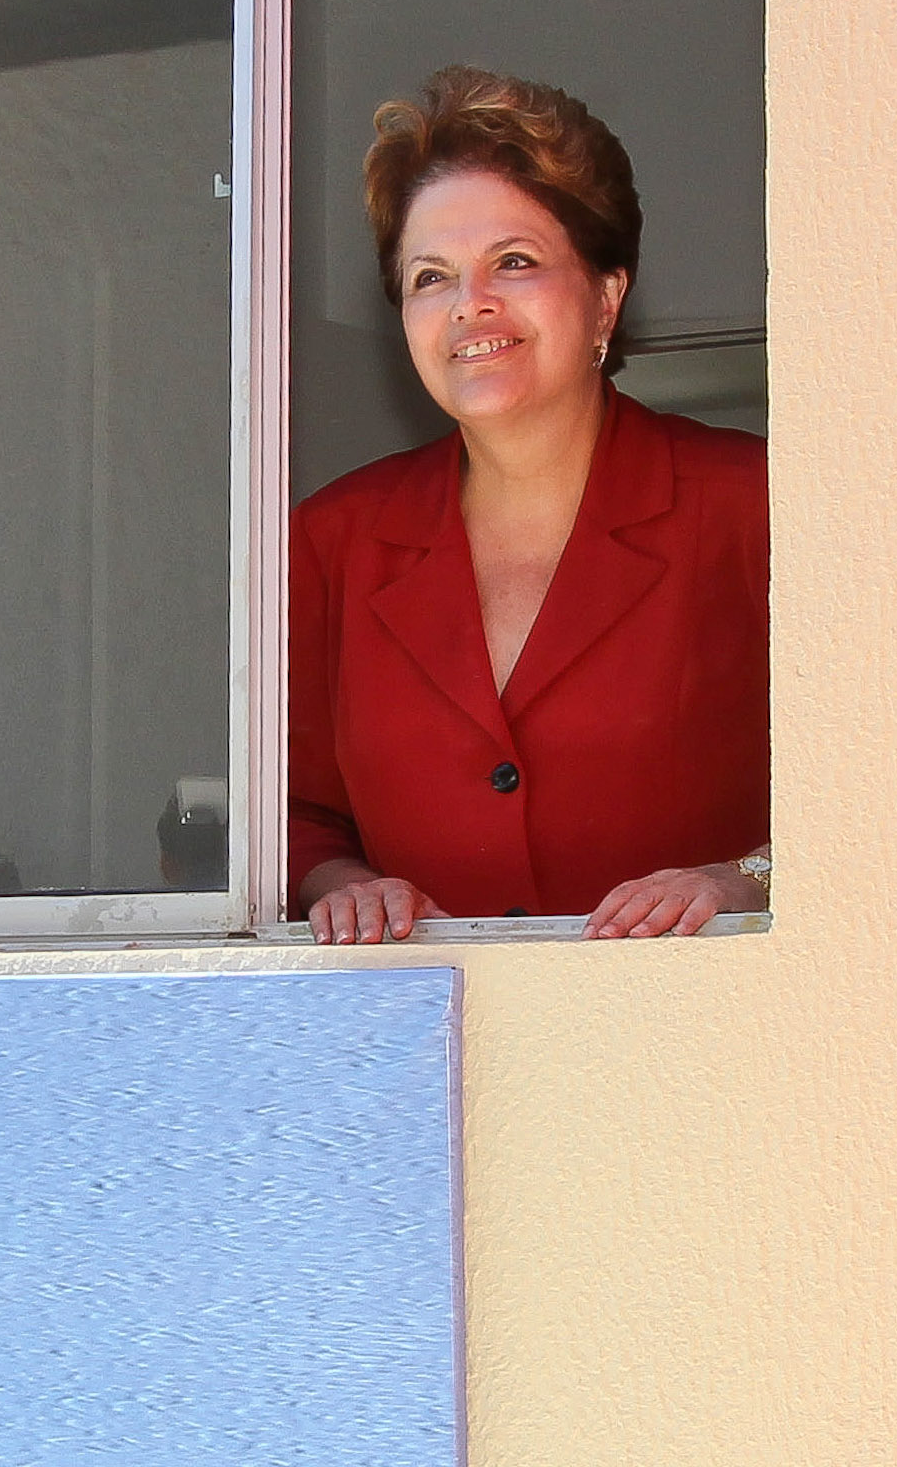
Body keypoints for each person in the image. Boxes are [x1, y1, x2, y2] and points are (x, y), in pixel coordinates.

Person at [289, 66, 769, 942]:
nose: (470, 304)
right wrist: (347, 884)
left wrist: (744, 881)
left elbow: (888, 792)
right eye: (430, 276)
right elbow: (292, 814)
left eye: (513, 262)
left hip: (714, 1041)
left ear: (606, 298)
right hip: (433, 1051)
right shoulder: (331, 540)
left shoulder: (757, 506)